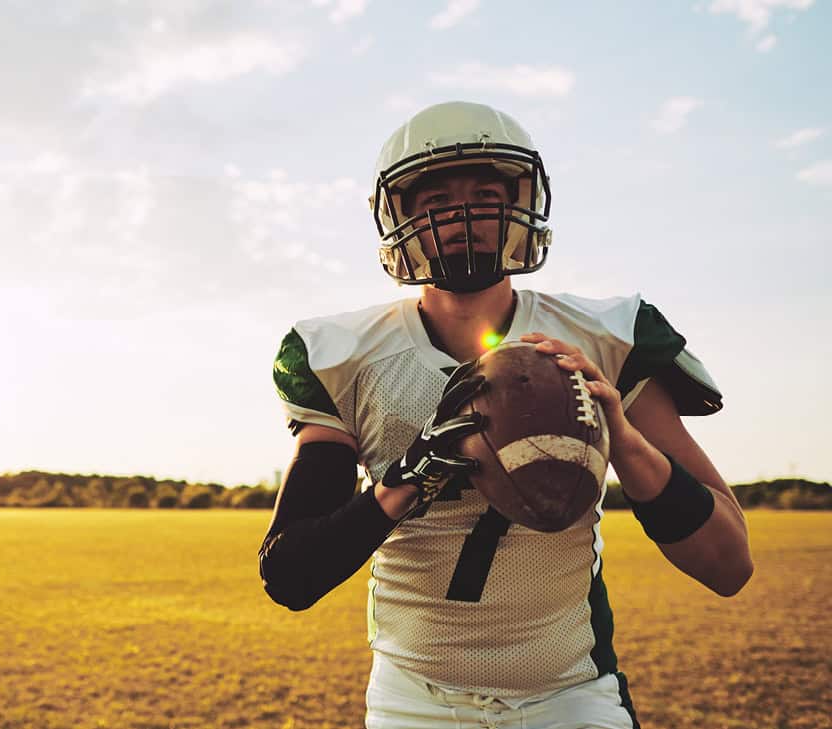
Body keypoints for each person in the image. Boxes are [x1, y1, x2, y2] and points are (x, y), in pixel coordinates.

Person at [259, 101, 753, 729]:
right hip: (412, 699)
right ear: (400, 216)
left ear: (522, 204)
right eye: (435, 198)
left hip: (570, 695)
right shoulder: (344, 354)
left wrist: (623, 439)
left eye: (486, 192)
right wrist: (410, 476)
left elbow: (730, 564)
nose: (463, 215)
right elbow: (292, 574)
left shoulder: (606, 337)